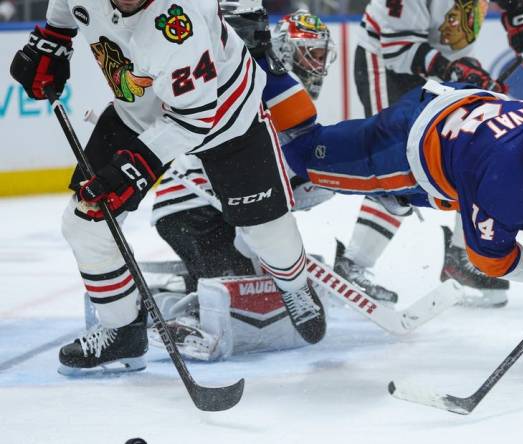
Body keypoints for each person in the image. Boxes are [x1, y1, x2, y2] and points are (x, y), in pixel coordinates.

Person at [9, 0, 325, 375]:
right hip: (137, 113)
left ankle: (294, 284)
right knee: (84, 222)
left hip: (225, 115)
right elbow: (63, 9)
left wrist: (134, 169)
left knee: (268, 229)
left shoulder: (180, 21)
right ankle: (123, 329)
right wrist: (51, 39)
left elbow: (194, 120)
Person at [285, 81, 523, 332]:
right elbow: (490, 260)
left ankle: (393, 198)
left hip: (461, 145)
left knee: (409, 194)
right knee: (304, 160)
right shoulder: (503, 179)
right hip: (409, 141)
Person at [142, 6, 338, 361]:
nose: (317, 65)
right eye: (312, 54)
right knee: (234, 291)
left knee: (252, 268)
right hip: (192, 205)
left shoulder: (272, 79)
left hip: (220, 202)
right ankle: (181, 314)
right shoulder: (246, 76)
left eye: (323, 57)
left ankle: (170, 297)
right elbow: (291, 160)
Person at [342, 0, 523, 307]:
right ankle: (353, 263)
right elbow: (398, 49)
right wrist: (450, 68)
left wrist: (522, 14)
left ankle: (462, 257)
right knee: (397, 163)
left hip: (449, 55)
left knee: (477, 142)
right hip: (387, 61)